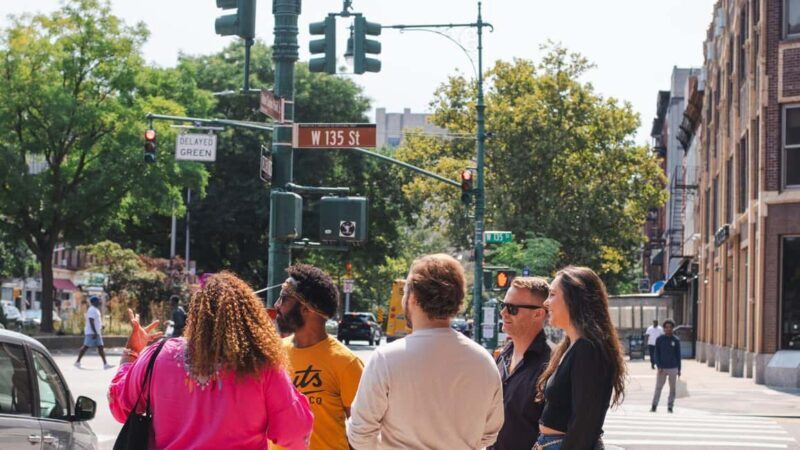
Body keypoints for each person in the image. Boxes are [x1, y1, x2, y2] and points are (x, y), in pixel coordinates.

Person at [108, 271, 313, 449]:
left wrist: (131, 353)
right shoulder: (261, 365)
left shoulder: (156, 356)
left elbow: (120, 406)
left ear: (197, 314)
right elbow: (295, 432)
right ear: (249, 318)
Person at [348, 253, 504, 450]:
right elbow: (490, 434)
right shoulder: (484, 361)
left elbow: (360, 433)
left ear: (413, 297)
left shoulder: (386, 359)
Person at [272, 264, 364, 450]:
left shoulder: (346, 363)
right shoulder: (273, 354)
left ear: (306, 309)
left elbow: (362, 434)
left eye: (284, 298)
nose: (277, 305)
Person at [535, 266, 626, 450]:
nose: (546, 302)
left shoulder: (588, 350)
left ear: (573, 299)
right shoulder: (571, 346)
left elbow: (584, 423)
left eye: (552, 295)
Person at [490, 277, 552, 450]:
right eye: (503, 305)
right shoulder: (502, 356)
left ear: (538, 313)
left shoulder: (553, 364)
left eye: (512, 308)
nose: (503, 312)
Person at [651, 319, 681, 413]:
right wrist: (659, 366)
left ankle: (670, 406)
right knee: (658, 387)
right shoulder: (659, 339)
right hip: (662, 368)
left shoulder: (676, 340)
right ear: (664, 329)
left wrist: (679, 369)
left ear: (673, 328)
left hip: (673, 367)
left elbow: (678, 355)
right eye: (666, 327)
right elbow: (656, 354)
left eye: (670, 327)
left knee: (672, 388)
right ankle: (654, 406)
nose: (668, 329)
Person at [75, 296, 112, 369]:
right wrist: (94, 332)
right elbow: (91, 321)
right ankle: (77, 362)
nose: (99, 302)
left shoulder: (96, 310)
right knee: (86, 346)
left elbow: (95, 321)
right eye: (97, 301)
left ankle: (105, 364)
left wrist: (101, 326)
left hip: (97, 332)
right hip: (91, 332)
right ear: (93, 302)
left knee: (100, 347)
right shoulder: (92, 310)